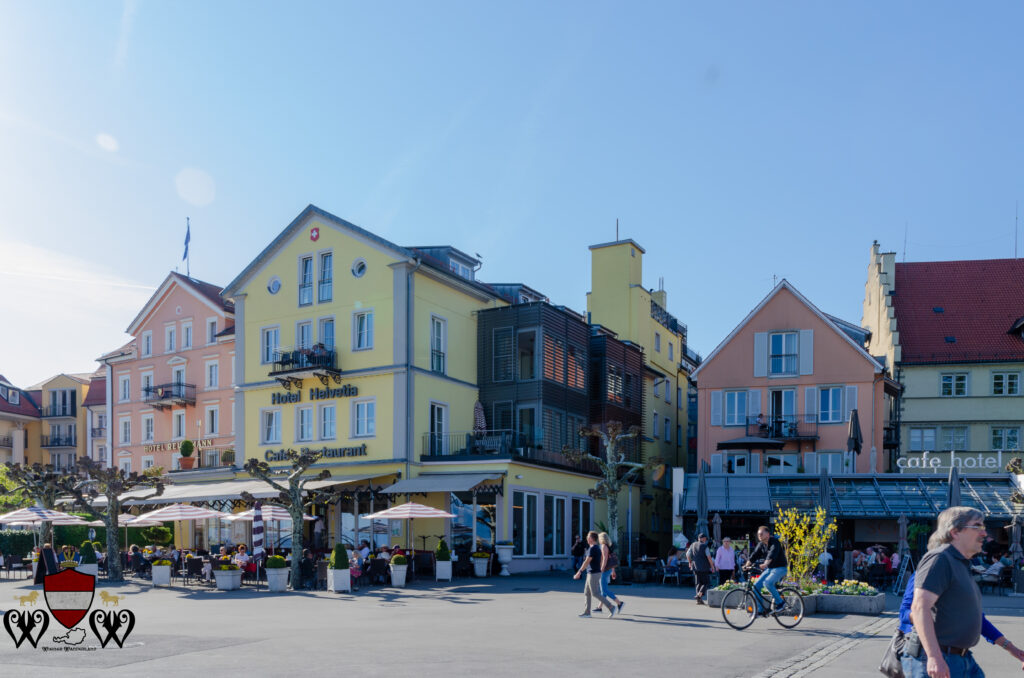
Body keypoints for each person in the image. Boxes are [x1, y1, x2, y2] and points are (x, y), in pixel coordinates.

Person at [903, 506, 993, 678]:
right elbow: (920, 608)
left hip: (961, 658)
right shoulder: (940, 558)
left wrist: (1010, 647)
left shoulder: (961, 562)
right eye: (978, 526)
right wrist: (934, 657)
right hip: (941, 658)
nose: (984, 533)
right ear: (955, 532)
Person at [573, 531, 615, 618]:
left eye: (588, 536)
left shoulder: (593, 549)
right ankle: (587, 612)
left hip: (594, 573)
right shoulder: (593, 548)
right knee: (587, 592)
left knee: (595, 593)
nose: (586, 538)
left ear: (591, 538)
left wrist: (579, 572)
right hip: (591, 572)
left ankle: (611, 607)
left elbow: (586, 561)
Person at [748, 525, 788, 613]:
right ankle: (760, 610)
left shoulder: (775, 542)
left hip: (780, 568)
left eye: (761, 534)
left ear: (768, 534)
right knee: (756, 587)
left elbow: (772, 553)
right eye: (758, 534)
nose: (759, 536)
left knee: (767, 583)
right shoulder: (761, 544)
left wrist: (765, 563)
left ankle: (781, 603)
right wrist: (746, 565)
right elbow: (754, 555)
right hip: (770, 569)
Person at [593, 532, 624, 615]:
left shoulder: (603, 546)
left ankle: (619, 603)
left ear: (601, 538)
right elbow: (611, 561)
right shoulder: (608, 547)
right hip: (608, 570)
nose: (598, 540)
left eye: (599, 538)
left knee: (604, 590)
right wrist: (613, 571)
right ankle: (599, 607)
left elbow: (605, 559)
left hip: (604, 570)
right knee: (603, 591)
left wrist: (601, 570)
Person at [686, 533, 716, 605]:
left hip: (695, 567)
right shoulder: (705, 546)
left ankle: (698, 600)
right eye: (705, 538)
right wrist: (712, 567)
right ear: (703, 539)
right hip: (704, 567)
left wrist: (690, 562)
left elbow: (687, 554)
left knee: (698, 583)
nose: (706, 540)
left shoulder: (692, 545)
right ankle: (699, 595)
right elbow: (709, 557)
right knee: (706, 582)